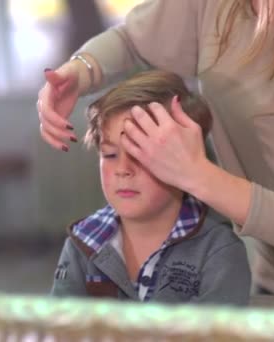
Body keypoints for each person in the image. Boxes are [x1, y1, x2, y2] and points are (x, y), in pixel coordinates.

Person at [38, 0, 274, 314]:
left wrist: (197, 175)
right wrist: (80, 71)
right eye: (110, 154)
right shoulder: (86, 244)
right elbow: (134, 39)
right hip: (273, 276)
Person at [50, 70, 251, 305]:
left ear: (184, 160)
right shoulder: (81, 243)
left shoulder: (219, 251)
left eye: (140, 153)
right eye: (110, 154)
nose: (122, 169)